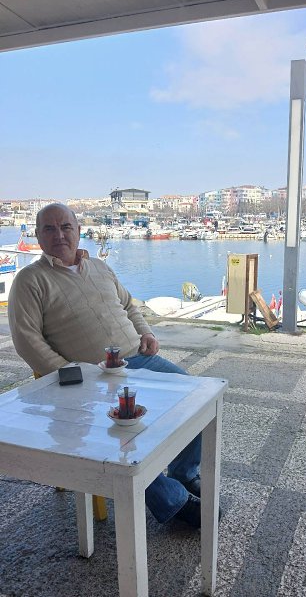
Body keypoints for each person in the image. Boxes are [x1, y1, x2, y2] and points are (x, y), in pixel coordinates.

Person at [8, 203, 204, 528]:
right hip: (93, 376)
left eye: (66, 227)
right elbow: (27, 340)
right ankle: (174, 503)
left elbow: (130, 305)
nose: (59, 235)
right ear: (37, 236)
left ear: (78, 231)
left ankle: (184, 474)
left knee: (195, 396)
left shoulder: (99, 267)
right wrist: (73, 375)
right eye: (49, 229)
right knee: (115, 434)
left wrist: (146, 332)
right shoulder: (30, 280)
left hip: (139, 359)